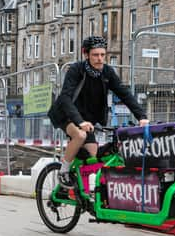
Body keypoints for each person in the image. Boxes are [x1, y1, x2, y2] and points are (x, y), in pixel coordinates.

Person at [48, 36, 149, 187]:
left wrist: (141, 116)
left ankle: (82, 189)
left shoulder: (107, 72)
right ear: (86, 54)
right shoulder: (76, 70)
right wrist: (79, 121)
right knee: (80, 135)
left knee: (93, 156)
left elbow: (124, 93)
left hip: (87, 119)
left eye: (103, 55)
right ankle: (64, 171)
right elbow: (65, 98)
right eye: (95, 55)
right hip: (66, 113)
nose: (100, 59)